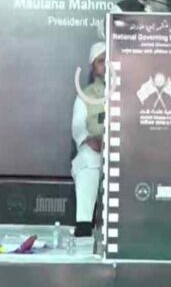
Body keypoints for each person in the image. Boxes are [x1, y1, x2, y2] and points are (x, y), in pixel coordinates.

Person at [71, 42, 106, 237]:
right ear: (92, 67)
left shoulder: (127, 92)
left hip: (124, 151)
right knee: (87, 158)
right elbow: (78, 128)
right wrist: (90, 140)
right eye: (101, 61)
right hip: (97, 150)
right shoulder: (85, 96)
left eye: (109, 61)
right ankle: (84, 223)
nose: (106, 66)